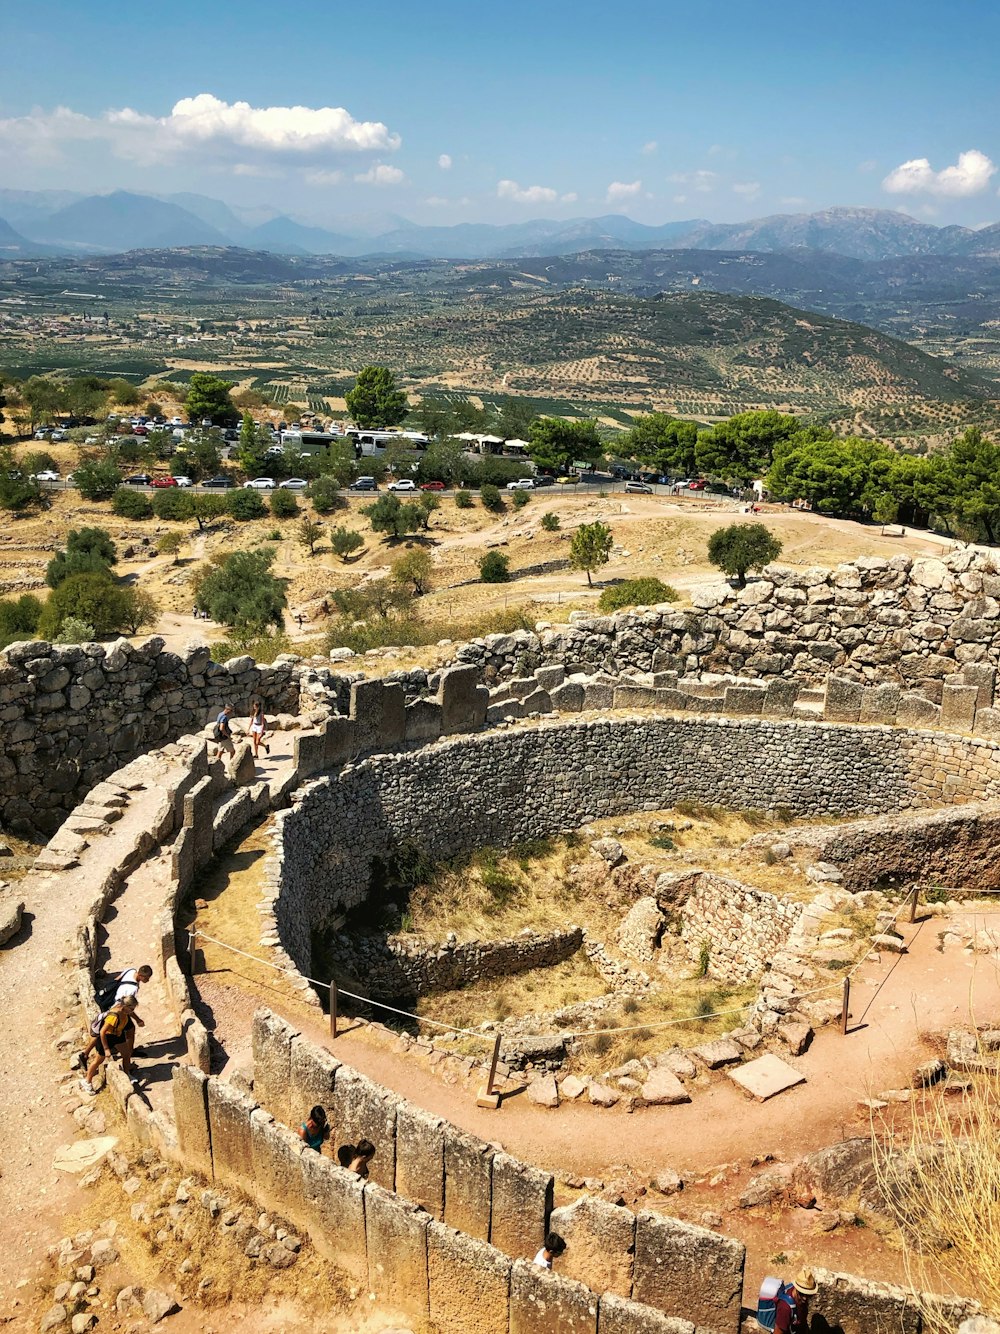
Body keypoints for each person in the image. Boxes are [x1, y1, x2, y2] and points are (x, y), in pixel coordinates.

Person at [80, 995, 139, 1095]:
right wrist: (106, 1048)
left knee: (126, 1054)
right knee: (98, 1061)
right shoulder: (114, 1016)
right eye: (131, 1008)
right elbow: (103, 1032)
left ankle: (127, 1074)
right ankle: (87, 1081)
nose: (132, 1011)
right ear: (125, 1006)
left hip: (117, 1035)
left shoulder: (124, 1012)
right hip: (107, 1038)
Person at [775, 1270, 818, 1334]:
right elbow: (778, 1332)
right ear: (797, 1289)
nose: (805, 1298)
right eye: (802, 1293)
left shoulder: (800, 1298)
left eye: (808, 1295)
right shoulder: (785, 1308)